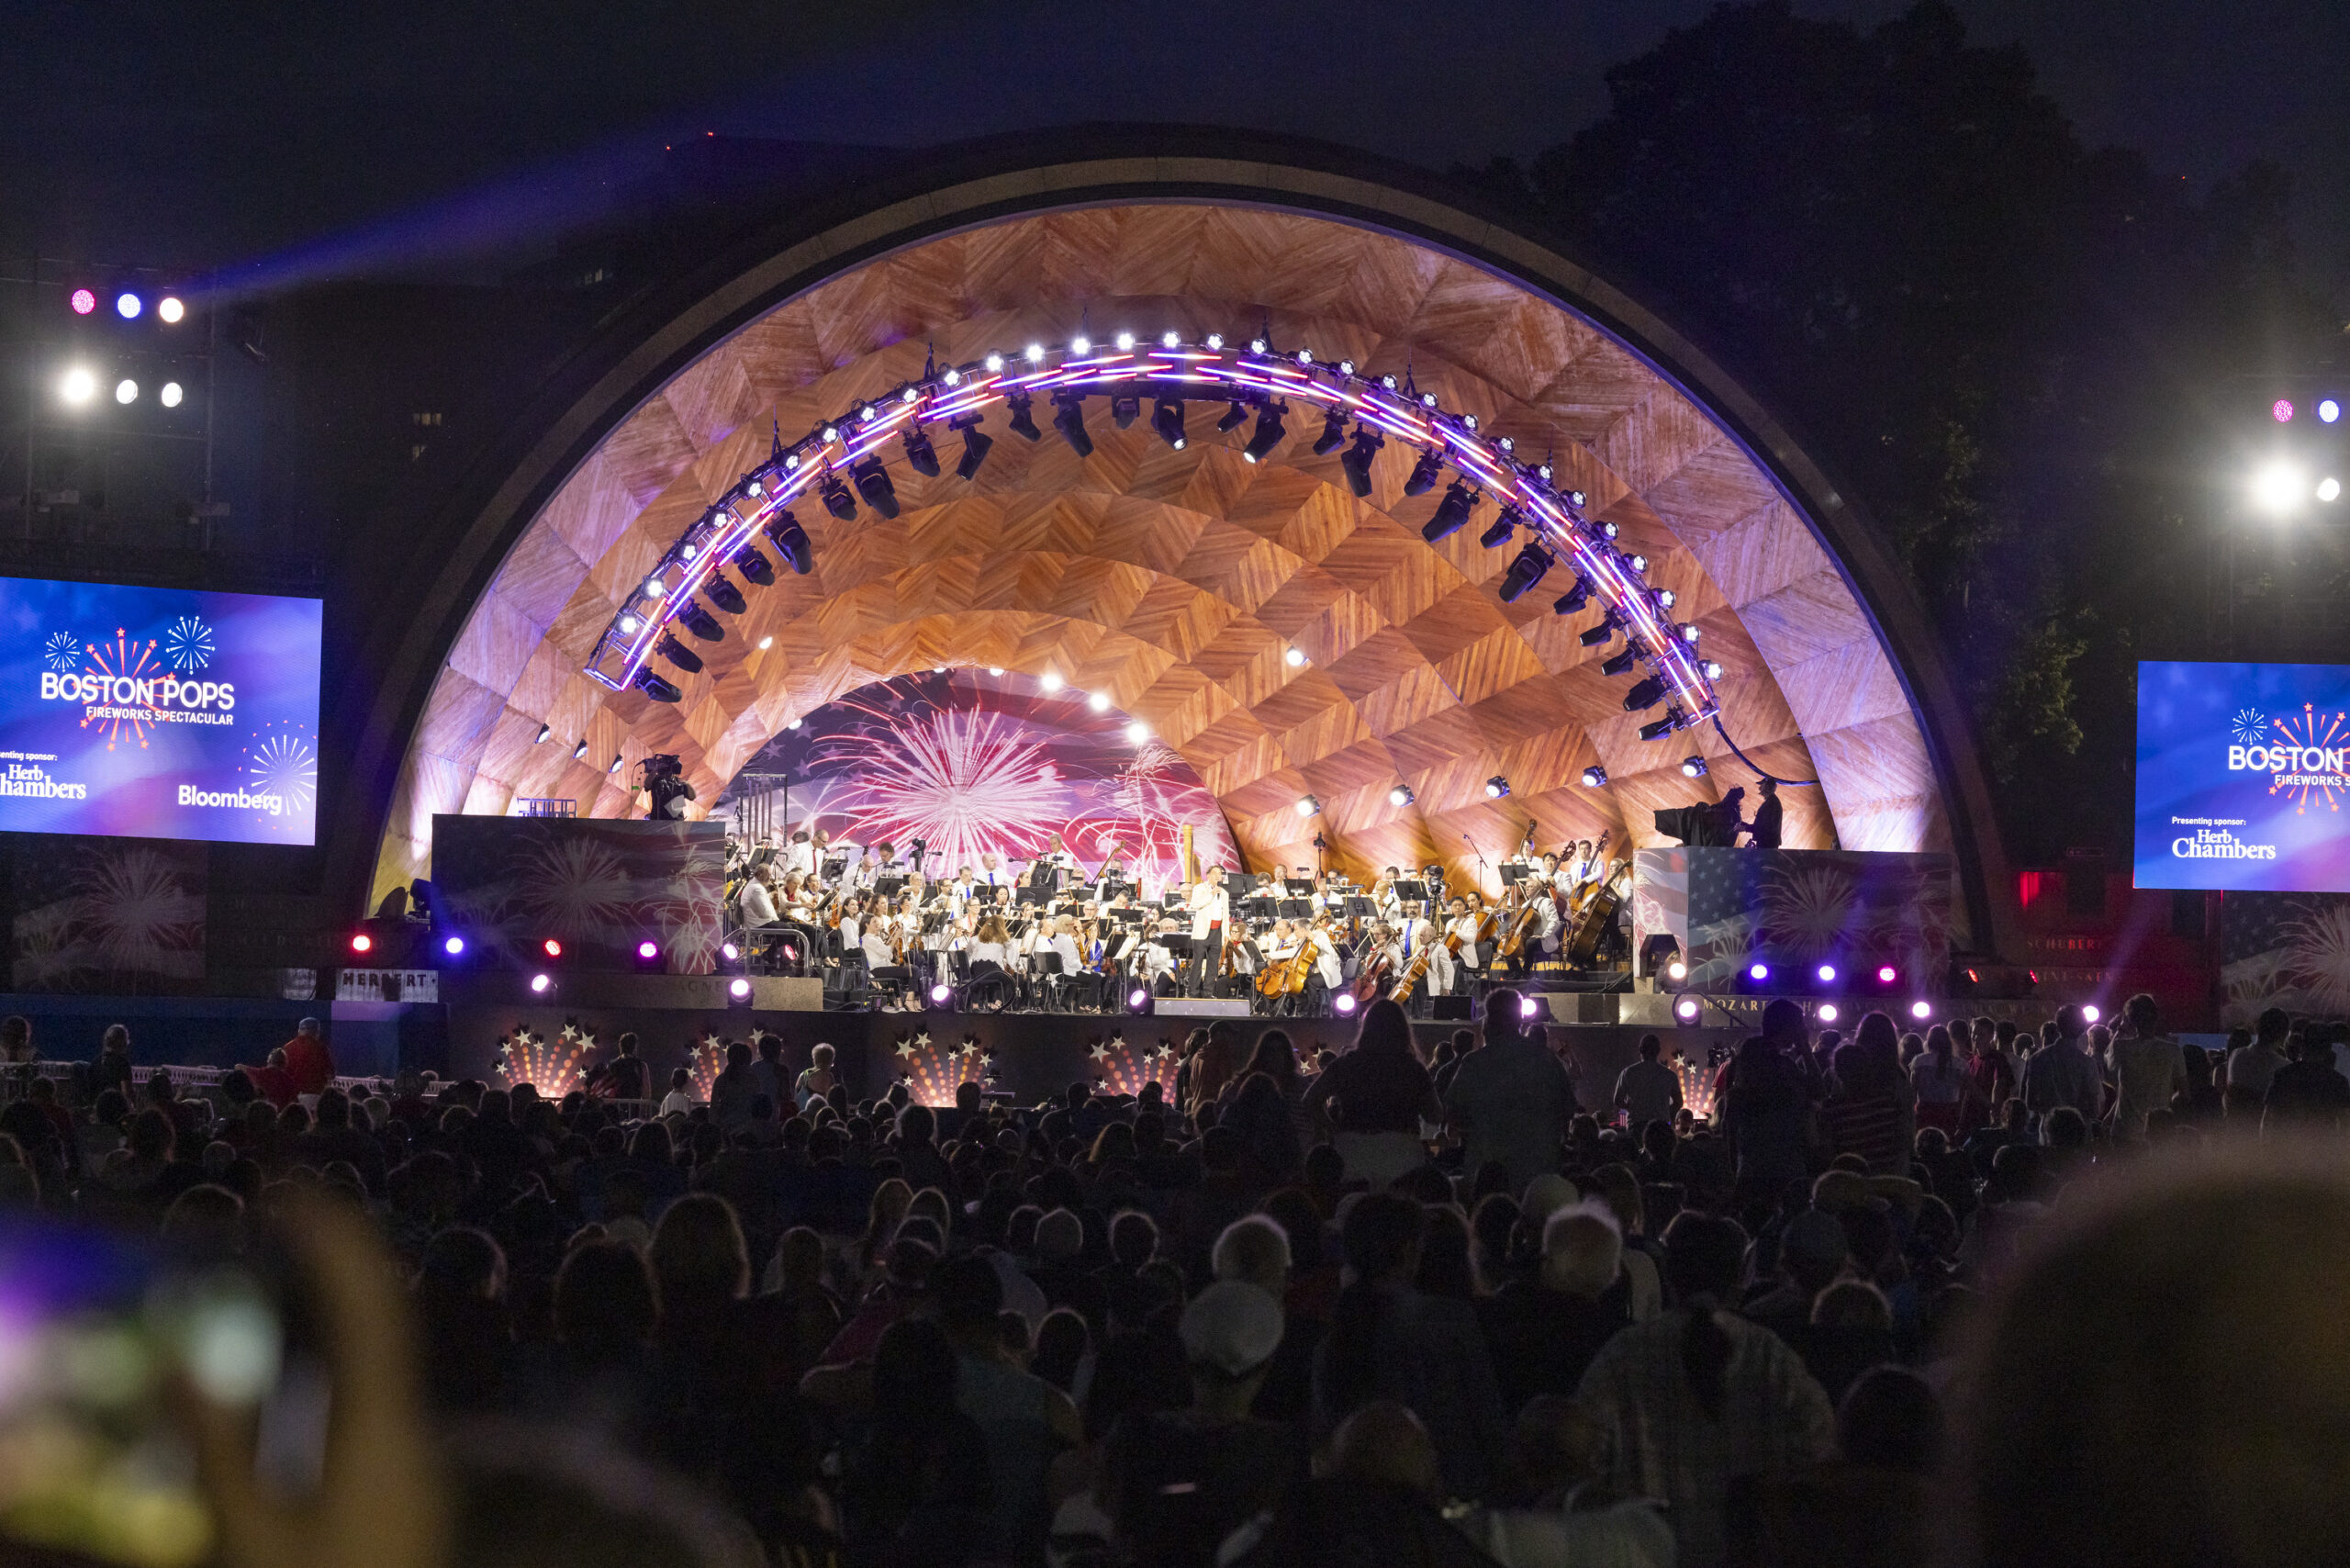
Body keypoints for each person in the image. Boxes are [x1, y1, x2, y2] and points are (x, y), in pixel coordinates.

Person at [1576, 1212, 1836, 1568]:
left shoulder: (1622, 1356)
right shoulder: (1770, 1357)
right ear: (1736, 1278)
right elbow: (1819, 1447)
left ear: (1670, 1275)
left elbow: (1583, 1453)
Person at [1312, 1192, 1510, 1501]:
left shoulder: (1334, 1329)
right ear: (1409, 1252)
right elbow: (1487, 1418)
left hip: (1358, 1501)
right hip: (1447, 1496)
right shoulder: (1449, 1321)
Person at [1442, 988, 1579, 1193]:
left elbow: (1453, 1113)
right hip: (1538, 1174)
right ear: (1520, 1020)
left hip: (1487, 1174)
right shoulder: (1547, 1060)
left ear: (1489, 1020)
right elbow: (1568, 1109)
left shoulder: (1474, 1063)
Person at [1301, 999, 1444, 1188]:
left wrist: (1333, 1129)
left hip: (1353, 1149)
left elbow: (1310, 1100)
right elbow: (1434, 1115)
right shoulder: (1412, 1068)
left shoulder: (1346, 1064)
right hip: (1401, 1150)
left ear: (1366, 1029)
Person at [2105, 992, 2186, 1140]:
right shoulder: (2173, 1050)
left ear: (2130, 1020)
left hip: (2125, 1131)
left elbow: (2110, 1070)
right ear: (2156, 1017)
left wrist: (2121, 1028)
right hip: (2158, 1129)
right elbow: (2184, 1092)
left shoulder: (2121, 1048)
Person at [2020, 1004, 2102, 1129]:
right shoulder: (2088, 1063)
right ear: (2082, 1029)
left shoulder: (2037, 1058)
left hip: (2048, 1129)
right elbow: (2094, 1109)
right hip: (2078, 1130)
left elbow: (2030, 1102)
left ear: (2058, 1027)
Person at [2263, 1028, 2350, 1130]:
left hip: (2286, 1137)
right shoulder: (2337, 1081)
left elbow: (2268, 1116)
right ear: (2329, 1051)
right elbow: (2345, 1121)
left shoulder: (2283, 1074)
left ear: (2302, 1047)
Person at [1614, 1034, 1684, 1133]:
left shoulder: (1628, 1073)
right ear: (1658, 1051)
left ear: (1640, 1049)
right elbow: (1679, 1102)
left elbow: (1617, 1100)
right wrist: (1664, 1111)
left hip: (1636, 1124)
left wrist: (1632, 1107)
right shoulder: (1669, 1075)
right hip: (1661, 1125)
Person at [282, 1017, 336, 1099]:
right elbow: (330, 1074)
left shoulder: (287, 1047)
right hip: (315, 1095)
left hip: (291, 1095)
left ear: (299, 1031)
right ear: (317, 1032)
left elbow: (282, 1072)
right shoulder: (321, 1048)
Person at [1745, 776, 1785, 848]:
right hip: (1766, 842)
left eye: (1762, 785)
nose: (1759, 788)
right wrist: (1746, 827)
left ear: (1768, 787)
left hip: (1767, 844)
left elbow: (1766, 827)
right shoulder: (1771, 801)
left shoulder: (1772, 803)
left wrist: (1746, 828)